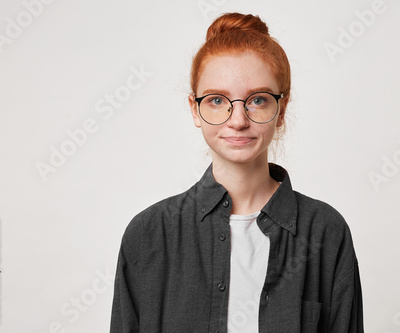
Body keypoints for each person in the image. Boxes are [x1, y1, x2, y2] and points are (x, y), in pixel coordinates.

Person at [110, 12, 363, 333]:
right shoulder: (148, 235)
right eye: (217, 100)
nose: (238, 120)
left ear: (281, 110)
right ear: (195, 109)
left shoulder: (326, 233)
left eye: (257, 100)